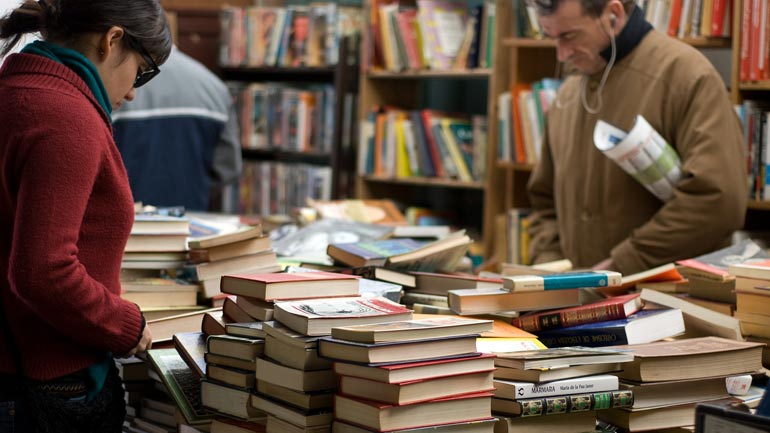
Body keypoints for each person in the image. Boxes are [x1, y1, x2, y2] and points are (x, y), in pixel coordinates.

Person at [0, 0, 171, 431]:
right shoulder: (65, 116)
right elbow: (43, 271)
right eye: (142, 70)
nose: (133, 91)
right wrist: (127, 326)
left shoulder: (17, 94)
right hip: (46, 382)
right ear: (111, 40)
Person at [525, 0, 747, 275]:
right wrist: (549, 268)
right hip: (575, 301)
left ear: (614, 15)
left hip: (667, 302)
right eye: (552, 37)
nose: (561, 54)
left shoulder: (687, 77)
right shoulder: (569, 94)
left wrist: (626, 262)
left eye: (569, 36)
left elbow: (718, 201)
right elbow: (544, 203)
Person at [112, 45, 242, 212]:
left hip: (129, 223)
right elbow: (228, 168)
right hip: (190, 222)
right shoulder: (214, 87)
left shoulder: (117, 87)